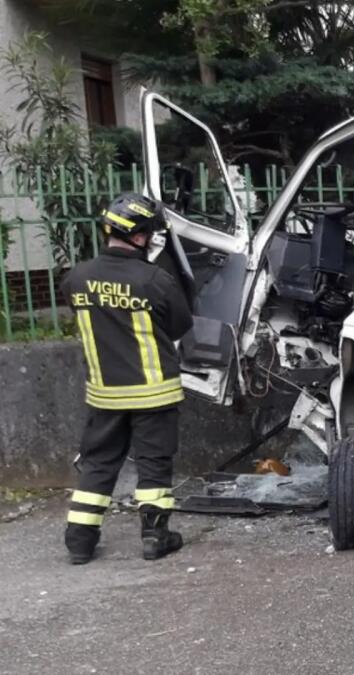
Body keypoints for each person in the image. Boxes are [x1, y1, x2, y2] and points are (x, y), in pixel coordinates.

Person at [60, 193, 194, 564]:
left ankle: (79, 541)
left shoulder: (77, 278)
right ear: (138, 236)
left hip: (105, 395)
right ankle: (155, 537)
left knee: (98, 463)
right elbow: (182, 323)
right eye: (149, 232)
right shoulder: (154, 280)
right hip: (154, 393)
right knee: (153, 463)